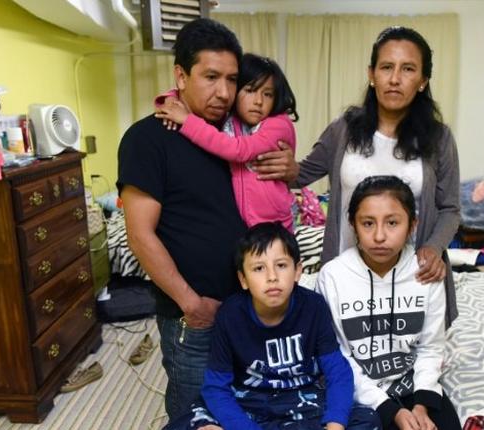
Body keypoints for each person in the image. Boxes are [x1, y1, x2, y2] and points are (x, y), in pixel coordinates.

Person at [117, 18, 295, 422]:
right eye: (210, 77)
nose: (224, 92)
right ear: (180, 75)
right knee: (195, 413)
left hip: (250, 310)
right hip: (195, 316)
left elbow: (276, 179)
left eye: (232, 79)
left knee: (249, 408)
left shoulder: (237, 134)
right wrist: (189, 302)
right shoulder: (149, 139)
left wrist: (291, 169)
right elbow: (139, 234)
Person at [285, 25, 460, 327]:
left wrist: (433, 248)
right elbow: (302, 174)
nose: (394, 79)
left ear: (423, 80)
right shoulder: (344, 129)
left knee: (410, 359)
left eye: (408, 69)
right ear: (371, 74)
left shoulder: (438, 138)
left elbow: (450, 208)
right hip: (347, 269)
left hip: (409, 276)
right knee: (341, 360)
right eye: (386, 67)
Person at [166, 222, 379, 430]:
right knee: (189, 423)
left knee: (366, 419)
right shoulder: (230, 315)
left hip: (304, 400)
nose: (272, 277)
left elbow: (337, 371)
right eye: (259, 268)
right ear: (243, 279)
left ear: (297, 271)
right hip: (249, 401)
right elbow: (216, 387)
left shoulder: (313, 306)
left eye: (281, 265)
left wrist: (335, 424)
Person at [316, 175, 461, 430]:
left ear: (412, 225)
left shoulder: (426, 272)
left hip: (415, 389)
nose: (380, 236)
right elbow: (339, 357)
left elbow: (431, 347)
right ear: (353, 224)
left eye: (392, 223)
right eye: (368, 223)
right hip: (359, 394)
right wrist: (388, 409)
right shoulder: (333, 277)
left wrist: (421, 405)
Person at [155, 53, 298, 231]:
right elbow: (191, 95)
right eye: (250, 90)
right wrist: (171, 100)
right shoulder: (231, 120)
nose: (259, 101)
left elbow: (239, 150)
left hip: (277, 222)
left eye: (267, 94)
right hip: (245, 223)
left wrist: (187, 120)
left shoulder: (278, 125)